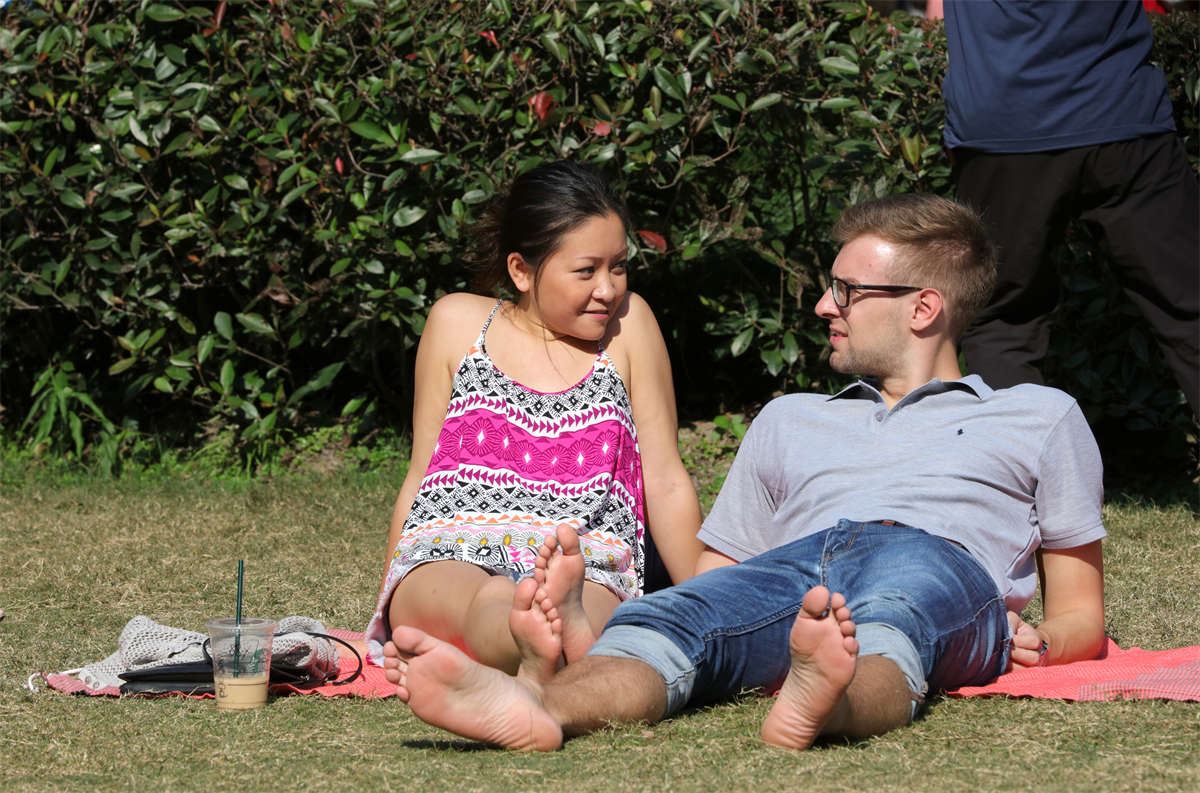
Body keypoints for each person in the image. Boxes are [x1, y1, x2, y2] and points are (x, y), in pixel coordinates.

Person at [380, 193, 1108, 751]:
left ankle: (830, 698)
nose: (823, 305)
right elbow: (717, 575)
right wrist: (647, 605)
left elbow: (1081, 611)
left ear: (924, 308)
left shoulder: (1037, 416)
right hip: (797, 571)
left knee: (895, 617)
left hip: (936, 558)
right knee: (671, 618)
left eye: (847, 291)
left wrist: (1044, 641)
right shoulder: (790, 417)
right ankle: (540, 707)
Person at [363, 161, 704, 675]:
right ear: (521, 271)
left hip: (585, 562)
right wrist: (390, 592)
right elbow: (421, 474)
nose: (608, 289)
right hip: (452, 548)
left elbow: (666, 479)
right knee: (482, 602)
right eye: (586, 271)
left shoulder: (629, 328)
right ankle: (527, 637)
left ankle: (540, 638)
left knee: (586, 611)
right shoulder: (457, 322)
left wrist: (709, 603)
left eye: (618, 266)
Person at [942, 0, 1199, 418]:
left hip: (1003, 127)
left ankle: (1020, 457)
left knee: (1003, 320)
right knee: (1190, 306)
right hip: (1123, 117)